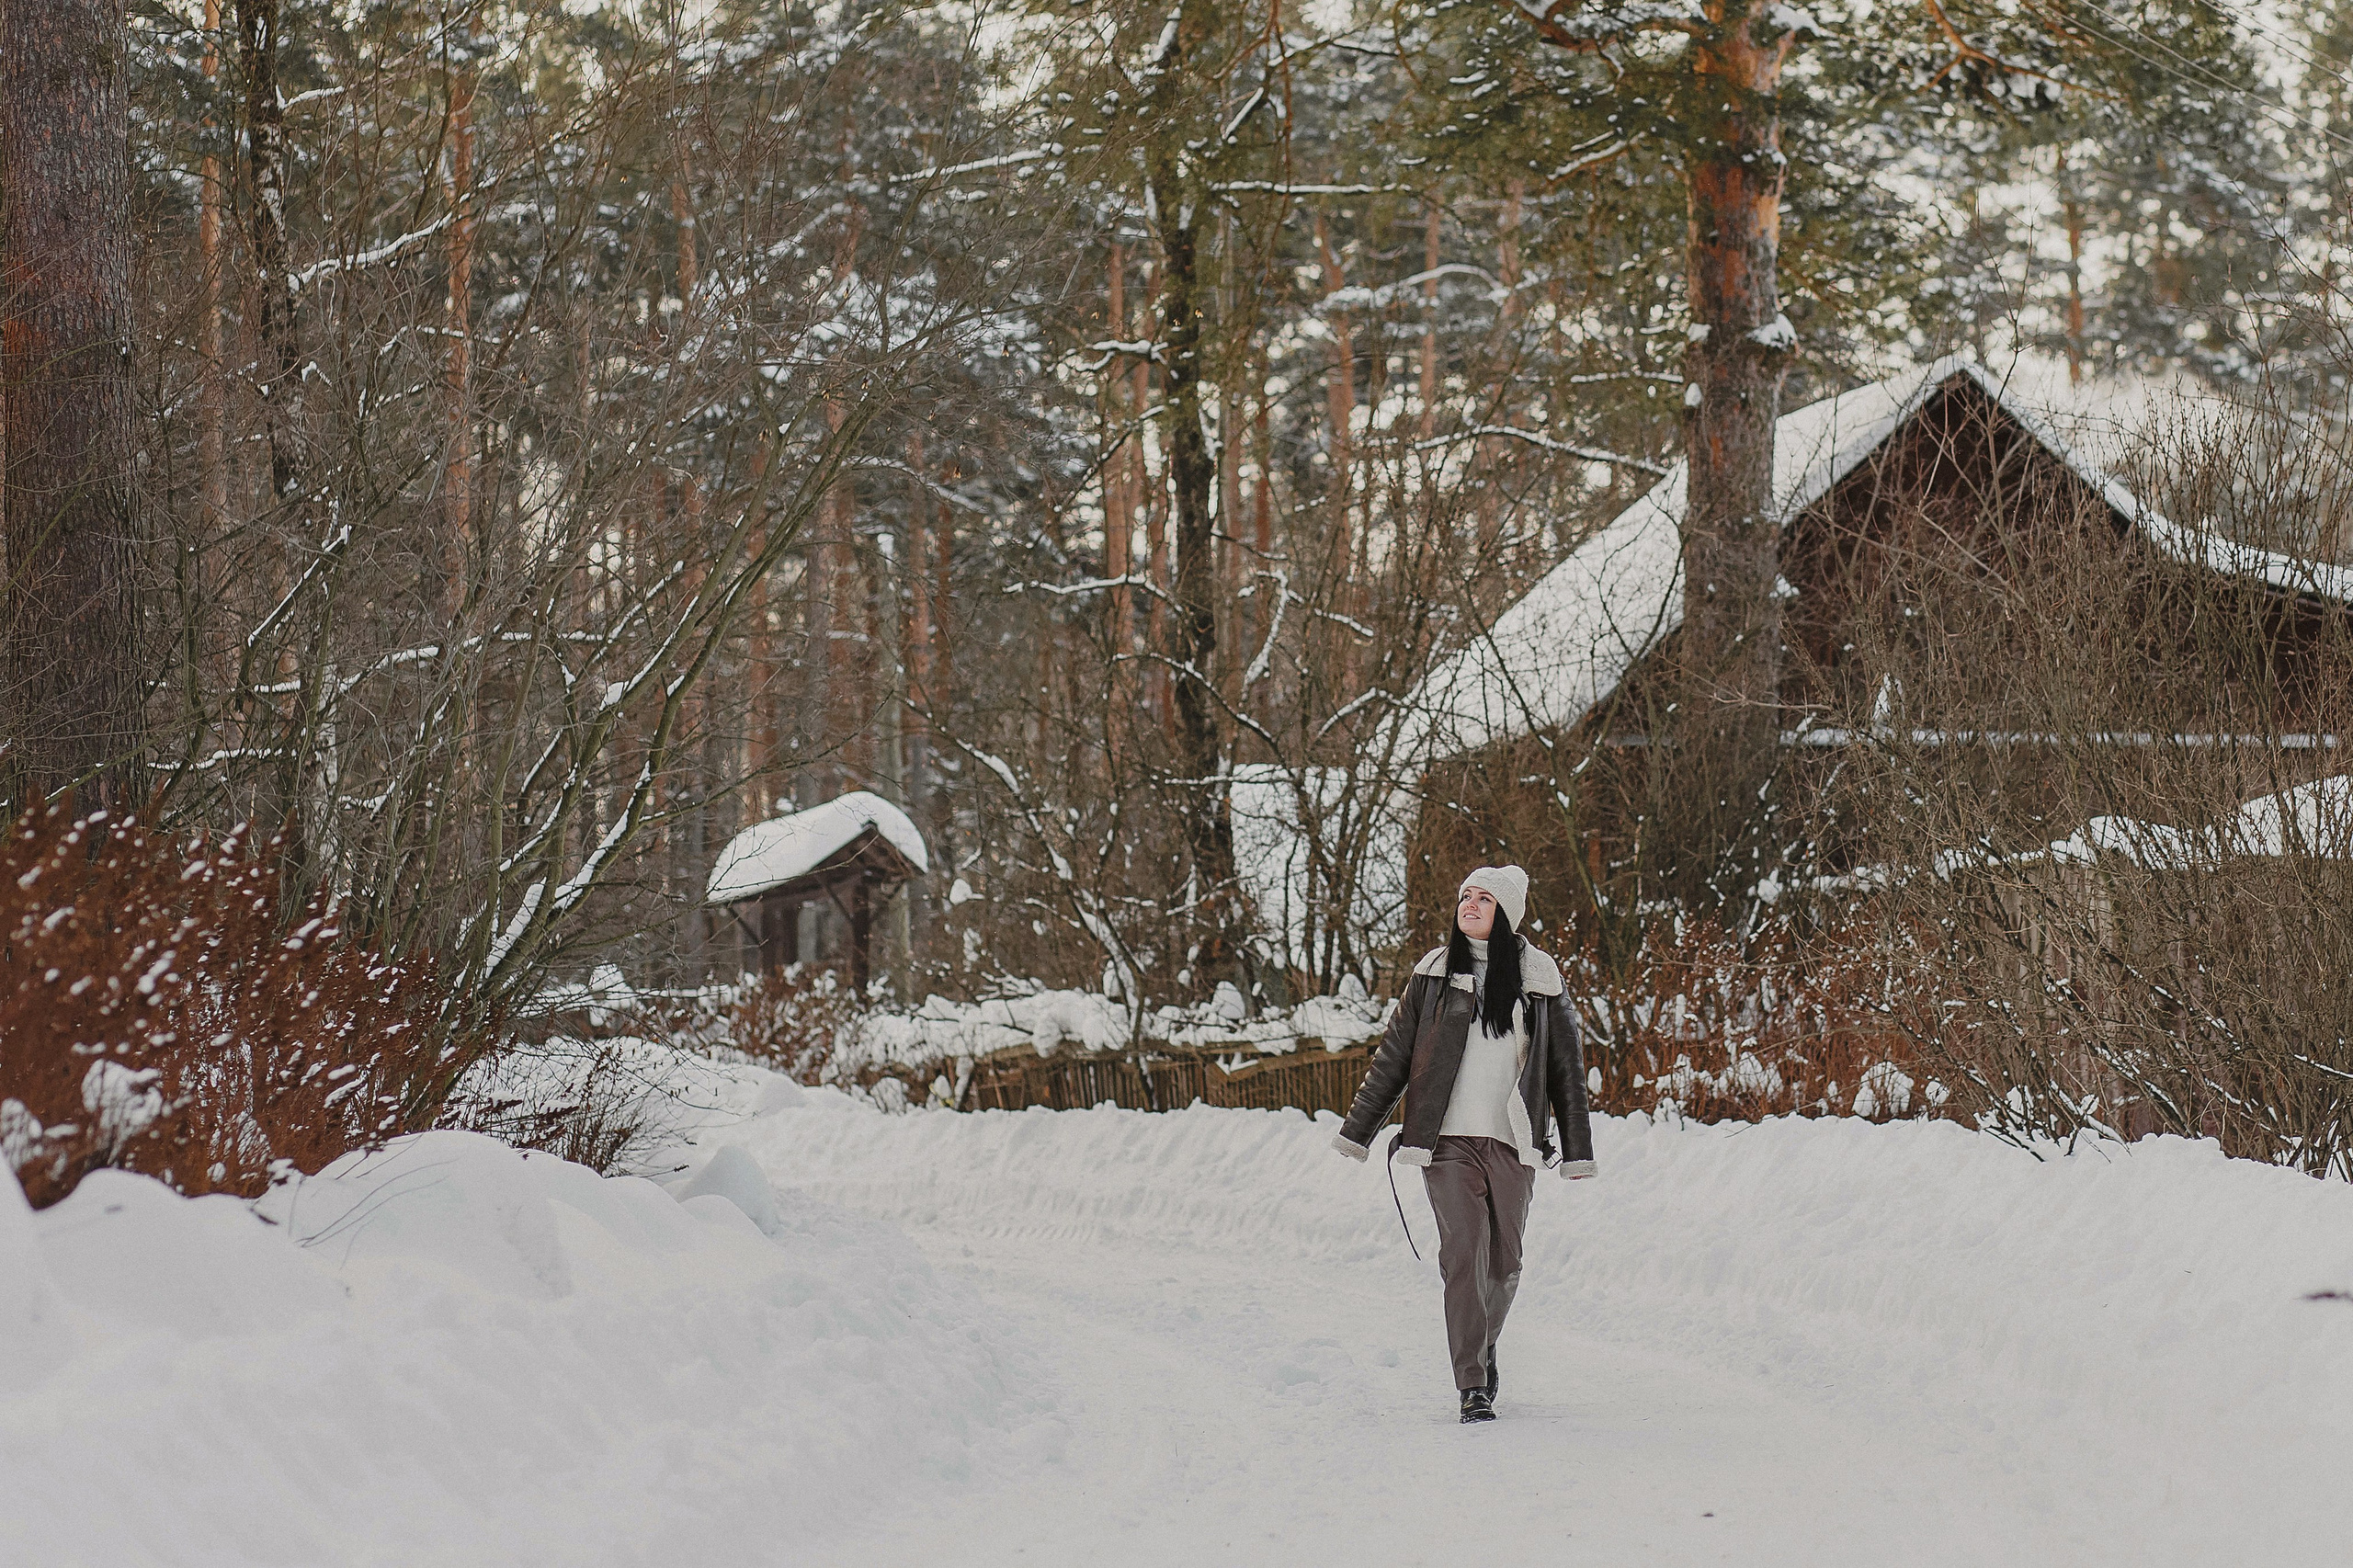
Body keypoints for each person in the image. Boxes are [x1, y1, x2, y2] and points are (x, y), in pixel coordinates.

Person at [1332, 865, 1596, 1424]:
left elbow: (1565, 1068)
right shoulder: (1432, 974)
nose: (1470, 905)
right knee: (1462, 1255)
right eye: (1465, 896)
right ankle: (1471, 1383)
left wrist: (1576, 1149)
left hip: (1512, 1143)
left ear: (1507, 914)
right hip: (1445, 1142)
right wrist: (1358, 1131)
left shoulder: (1538, 979)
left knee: (1504, 1263)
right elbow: (1395, 1056)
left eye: (1483, 899)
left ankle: (1482, 1344)